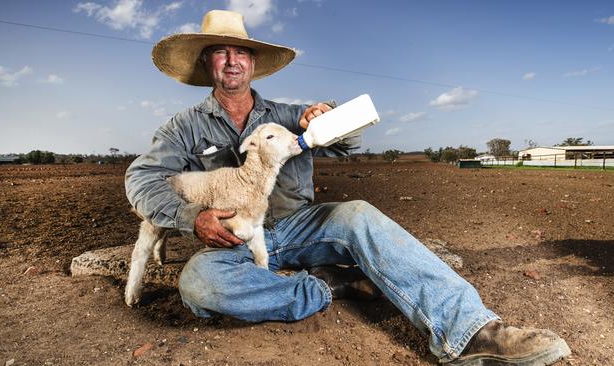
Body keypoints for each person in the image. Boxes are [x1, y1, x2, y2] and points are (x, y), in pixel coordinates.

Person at [125, 9, 571, 365]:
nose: (231, 60)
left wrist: (327, 119)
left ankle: (471, 332)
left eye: (239, 51)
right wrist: (192, 217)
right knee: (200, 284)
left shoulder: (288, 115)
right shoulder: (184, 128)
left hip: (300, 225)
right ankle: (329, 287)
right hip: (232, 238)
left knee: (356, 212)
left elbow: (346, 144)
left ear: (253, 62)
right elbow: (141, 178)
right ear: (207, 63)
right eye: (219, 52)